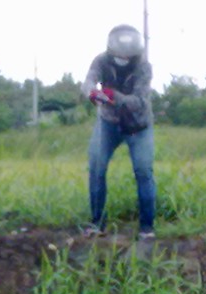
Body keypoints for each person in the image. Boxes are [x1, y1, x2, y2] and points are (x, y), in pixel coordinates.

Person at [81, 24, 157, 240]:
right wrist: (92, 92)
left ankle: (147, 228)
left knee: (143, 172)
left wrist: (114, 97)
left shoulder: (144, 67)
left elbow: (140, 101)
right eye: (118, 56)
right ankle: (97, 223)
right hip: (108, 123)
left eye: (128, 57)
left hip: (138, 127)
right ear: (110, 50)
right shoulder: (101, 61)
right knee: (96, 167)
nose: (122, 60)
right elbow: (88, 81)